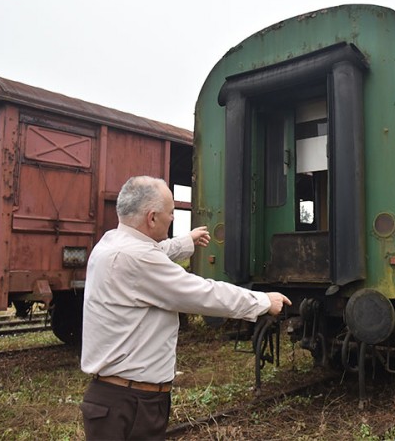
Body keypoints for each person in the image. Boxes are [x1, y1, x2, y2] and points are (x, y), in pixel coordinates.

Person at [80, 175, 291, 440]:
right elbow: (203, 294)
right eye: (170, 213)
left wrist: (185, 242)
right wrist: (262, 301)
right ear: (152, 218)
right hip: (131, 404)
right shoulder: (138, 259)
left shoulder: (111, 243)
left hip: (116, 398)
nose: (172, 218)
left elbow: (152, 251)